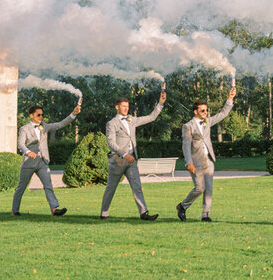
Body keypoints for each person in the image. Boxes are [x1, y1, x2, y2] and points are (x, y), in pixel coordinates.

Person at [100, 89, 166, 221]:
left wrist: (160, 103)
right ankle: (104, 214)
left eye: (127, 106)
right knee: (111, 188)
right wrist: (124, 154)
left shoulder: (131, 120)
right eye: (123, 106)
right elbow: (111, 143)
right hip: (118, 160)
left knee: (137, 187)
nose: (126, 109)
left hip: (132, 160)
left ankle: (144, 213)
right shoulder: (111, 123)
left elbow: (151, 117)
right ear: (117, 107)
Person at [177, 87, 235, 222]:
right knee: (199, 188)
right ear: (195, 111)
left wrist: (230, 99)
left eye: (206, 110)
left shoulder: (208, 122)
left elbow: (222, 114)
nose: (205, 112)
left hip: (209, 160)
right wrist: (188, 163)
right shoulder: (188, 126)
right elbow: (186, 145)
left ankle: (205, 215)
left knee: (208, 189)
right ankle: (182, 206)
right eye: (203, 110)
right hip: (195, 162)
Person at [13, 101, 80, 216]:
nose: (41, 117)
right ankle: (15, 210)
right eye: (38, 115)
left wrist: (73, 114)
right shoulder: (24, 129)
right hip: (28, 163)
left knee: (48, 185)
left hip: (42, 161)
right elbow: (20, 144)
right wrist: (28, 152)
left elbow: (60, 124)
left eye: (42, 115)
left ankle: (54, 210)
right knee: (21, 188)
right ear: (31, 115)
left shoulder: (45, 126)